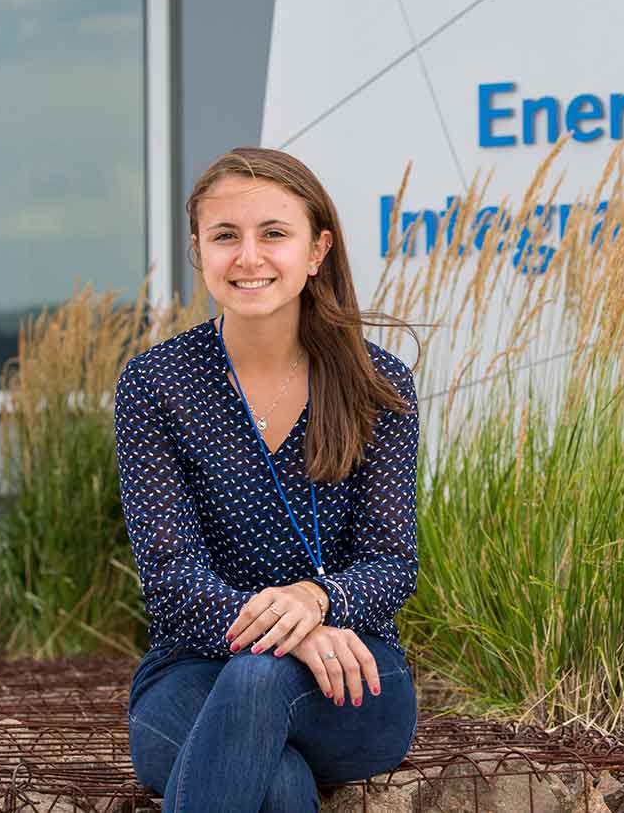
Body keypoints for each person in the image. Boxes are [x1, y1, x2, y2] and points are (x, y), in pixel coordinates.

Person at [116, 147, 420, 812]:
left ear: (317, 250)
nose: (248, 256)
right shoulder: (157, 385)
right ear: (198, 250)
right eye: (226, 235)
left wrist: (316, 600)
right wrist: (292, 629)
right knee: (278, 781)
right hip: (190, 674)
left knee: (259, 681)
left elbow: (393, 563)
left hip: (352, 678)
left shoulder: (378, 382)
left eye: (274, 233)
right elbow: (170, 578)